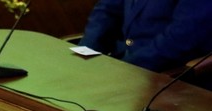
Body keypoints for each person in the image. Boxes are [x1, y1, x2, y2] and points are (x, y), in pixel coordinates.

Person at [79, 0, 212, 77]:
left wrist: (123, 69)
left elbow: (180, 37)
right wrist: (85, 54)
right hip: (118, 63)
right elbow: (106, 10)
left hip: (164, 75)